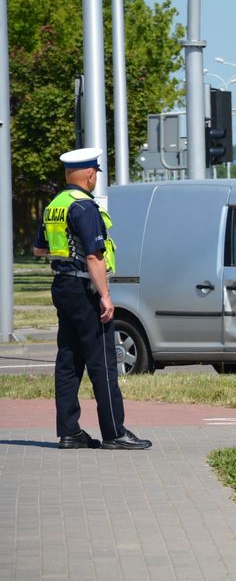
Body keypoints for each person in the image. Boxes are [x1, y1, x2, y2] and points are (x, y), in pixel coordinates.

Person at [32, 148, 151, 450]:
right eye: (96, 172)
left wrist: (67, 255)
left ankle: (69, 431)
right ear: (88, 173)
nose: (96, 176)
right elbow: (94, 256)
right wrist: (106, 296)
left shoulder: (55, 206)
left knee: (69, 360)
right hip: (85, 289)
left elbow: (39, 249)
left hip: (62, 286)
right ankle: (115, 433)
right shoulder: (84, 207)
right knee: (102, 362)